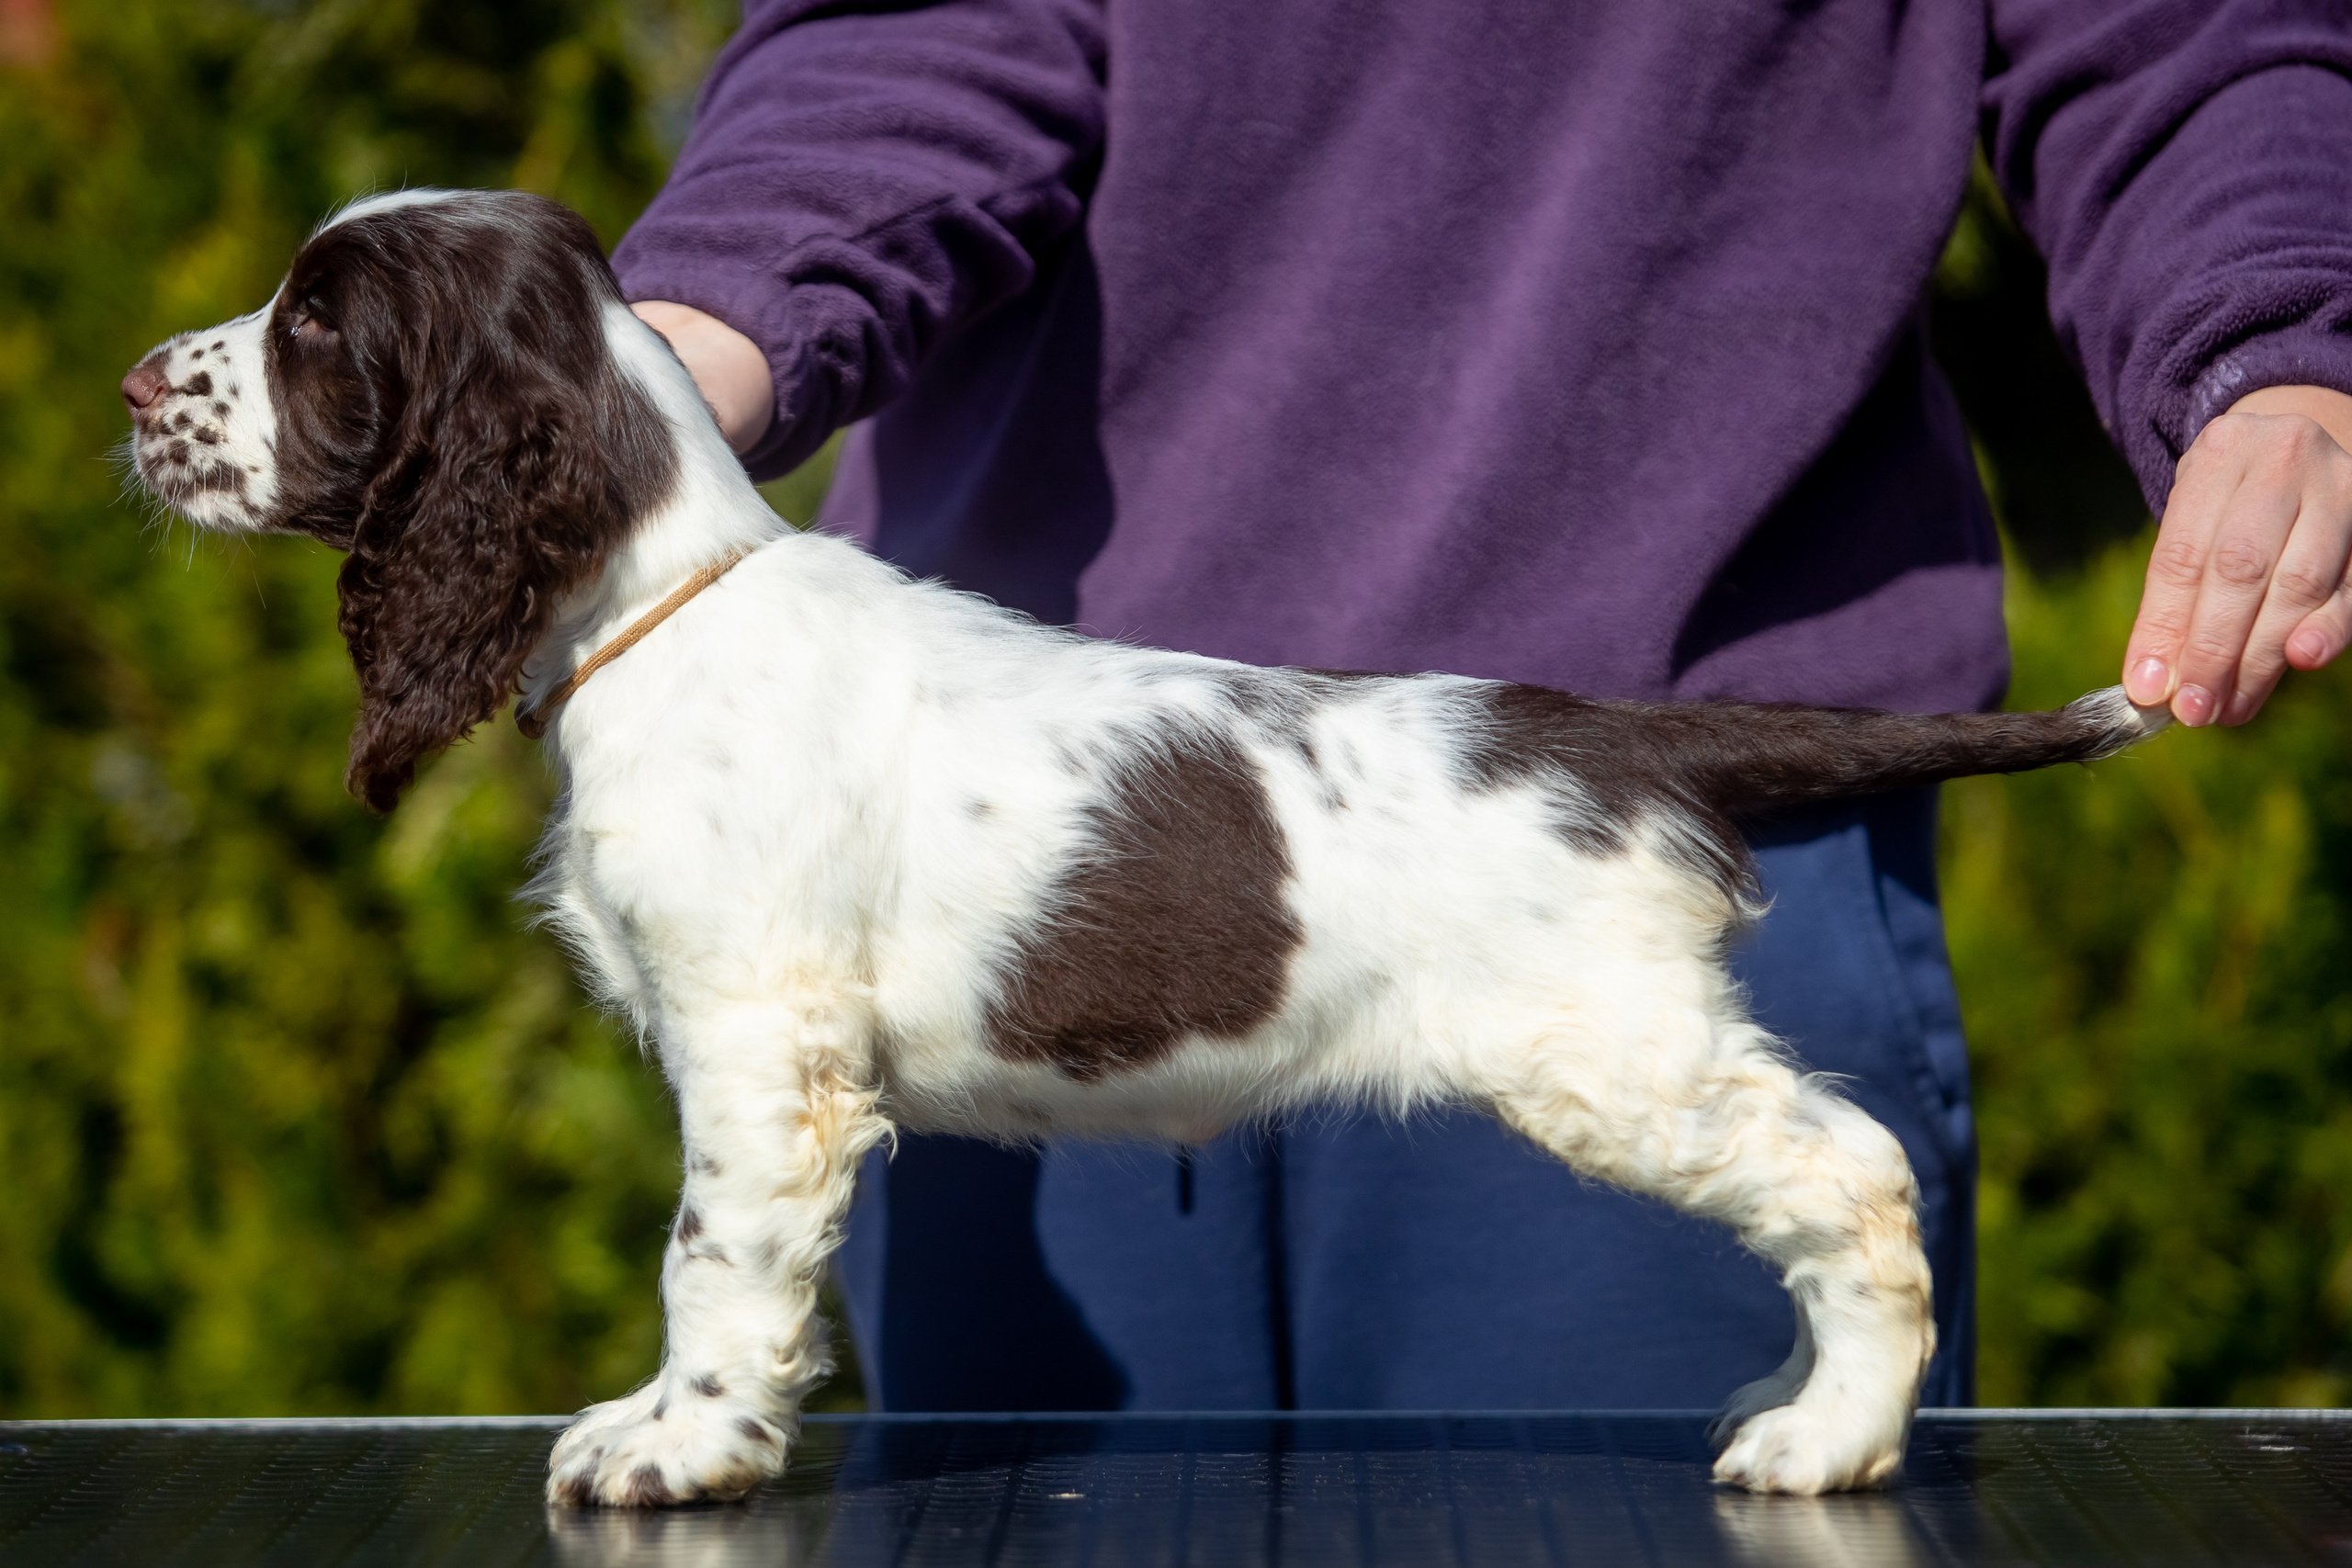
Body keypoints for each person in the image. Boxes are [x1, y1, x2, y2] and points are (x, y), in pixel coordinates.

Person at [610, 0, 2352, 1412]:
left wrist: (2283, 351)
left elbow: (2187, 37)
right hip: (1012, 855)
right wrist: (671, 359)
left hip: (1633, 800)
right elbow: (914, 32)